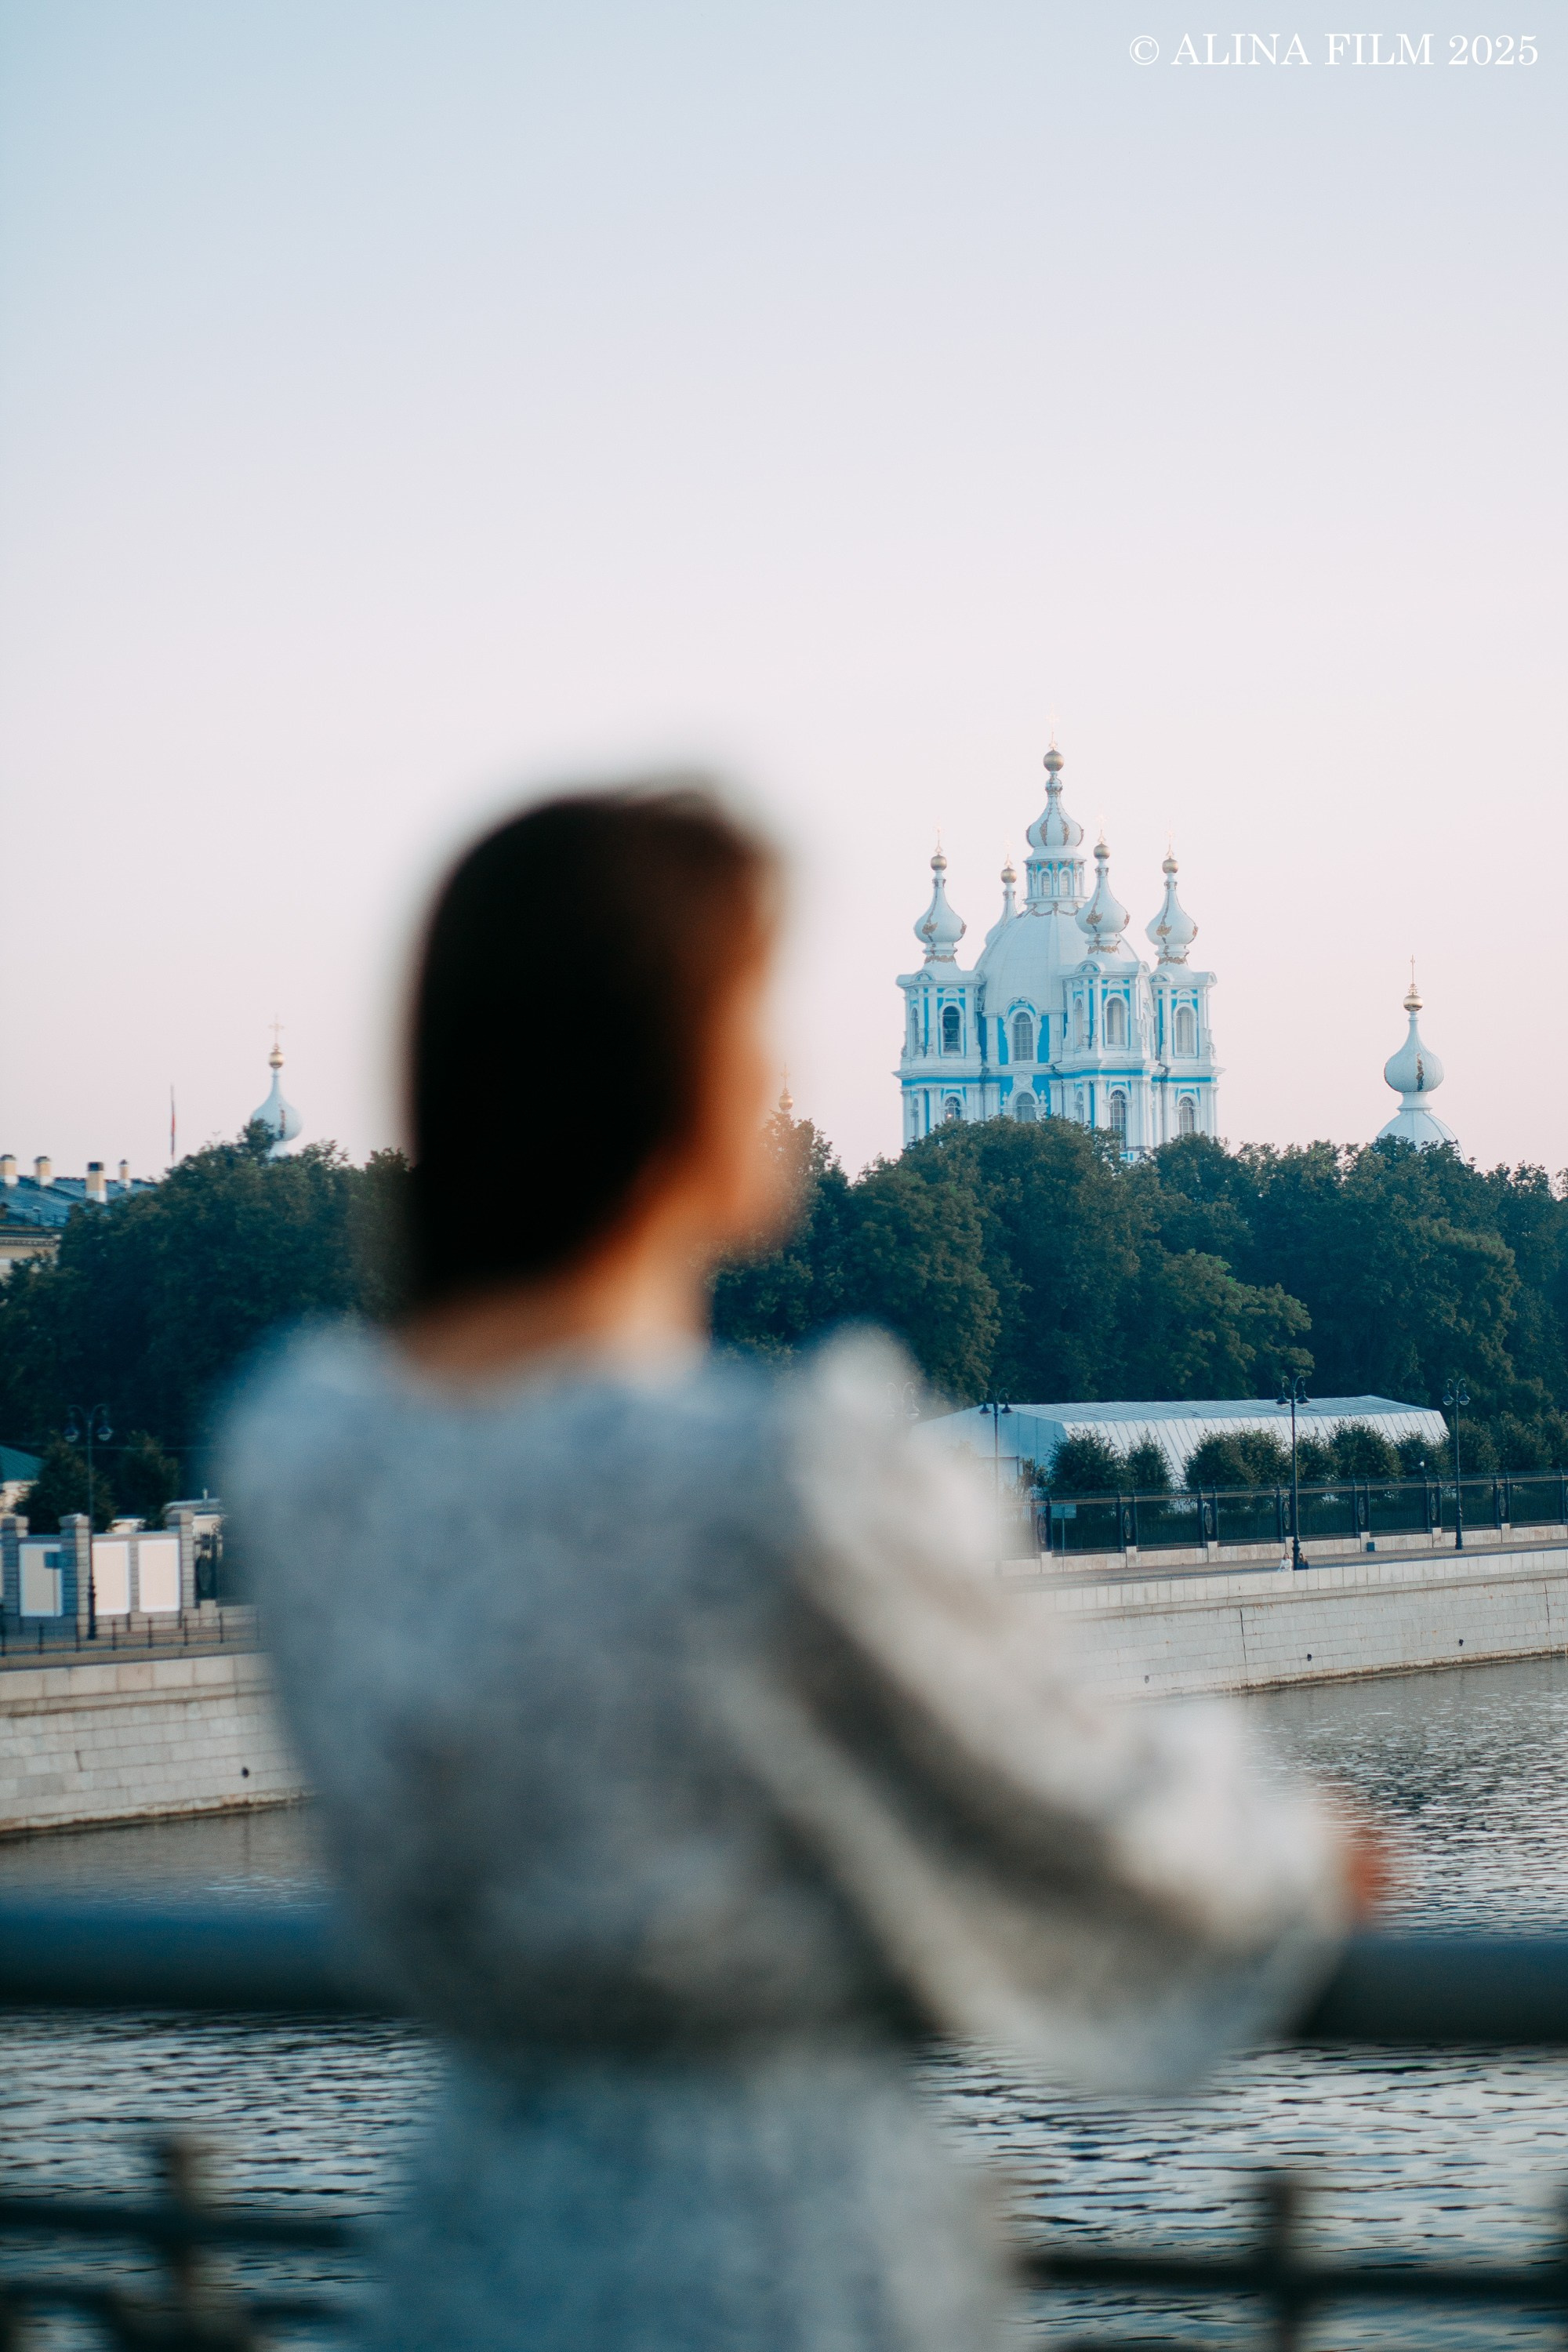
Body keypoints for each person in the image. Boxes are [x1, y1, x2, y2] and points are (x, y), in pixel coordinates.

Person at [224, 781, 1374, 2352]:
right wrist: (1300, 1850)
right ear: (663, 1073)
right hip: (773, 2270)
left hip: (464, 2260)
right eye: (746, 1023)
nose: (783, 1074)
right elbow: (1069, 1812)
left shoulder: (303, 1454)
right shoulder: (789, 1473)